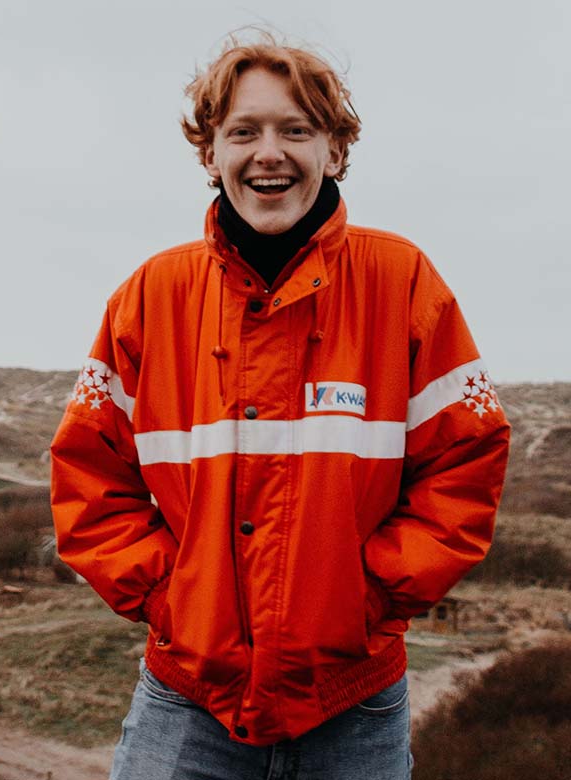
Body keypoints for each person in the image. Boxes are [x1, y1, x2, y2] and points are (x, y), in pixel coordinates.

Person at [50, 32, 510, 780]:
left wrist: (372, 596)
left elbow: (467, 461)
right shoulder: (150, 298)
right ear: (211, 154)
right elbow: (87, 477)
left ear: (333, 149)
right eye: (245, 131)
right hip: (186, 700)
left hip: (355, 704)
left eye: (296, 129)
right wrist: (173, 600)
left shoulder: (405, 283)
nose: (271, 152)